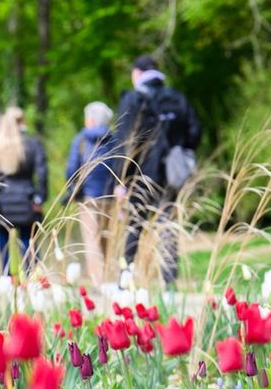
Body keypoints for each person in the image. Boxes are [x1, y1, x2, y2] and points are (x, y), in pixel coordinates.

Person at [113, 55, 202, 285]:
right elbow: (195, 130)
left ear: (137, 73)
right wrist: (180, 151)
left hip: (143, 173)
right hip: (173, 176)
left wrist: (120, 179)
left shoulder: (134, 99)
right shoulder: (176, 98)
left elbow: (125, 141)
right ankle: (169, 282)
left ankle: (126, 278)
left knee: (135, 224)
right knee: (168, 224)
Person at [0, 107, 48, 274]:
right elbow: (42, 173)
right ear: (20, 123)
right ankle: (33, 279)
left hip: (2, 203)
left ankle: (7, 279)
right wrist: (40, 198)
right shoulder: (32, 144)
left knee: (5, 242)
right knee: (29, 243)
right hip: (27, 200)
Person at [63, 101, 121, 283]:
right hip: (111, 197)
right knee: (108, 239)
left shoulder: (80, 139)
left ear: (90, 119)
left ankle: (98, 281)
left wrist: (72, 187)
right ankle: (111, 279)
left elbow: (72, 168)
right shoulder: (115, 139)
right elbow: (120, 166)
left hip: (89, 198)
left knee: (91, 239)